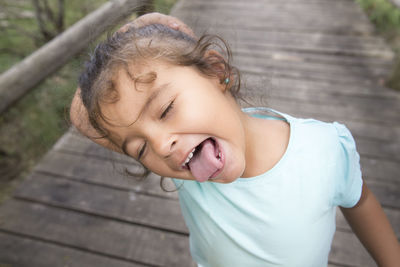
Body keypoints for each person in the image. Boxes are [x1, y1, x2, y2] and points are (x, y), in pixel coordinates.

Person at [70, 12, 400, 267]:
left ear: (216, 71)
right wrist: (128, 37)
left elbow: (361, 202)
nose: (160, 146)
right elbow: (81, 116)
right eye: (140, 149)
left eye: (166, 109)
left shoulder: (324, 148)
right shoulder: (188, 169)